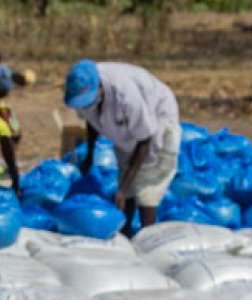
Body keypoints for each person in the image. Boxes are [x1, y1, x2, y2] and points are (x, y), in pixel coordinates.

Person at [64, 59, 181, 234]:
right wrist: (89, 155)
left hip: (156, 124)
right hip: (126, 130)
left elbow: (145, 140)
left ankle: (148, 235)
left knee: (147, 188)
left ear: (99, 88)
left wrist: (123, 188)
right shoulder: (82, 89)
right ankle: (125, 232)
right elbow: (92, 120)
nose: (85, 105)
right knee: (126, 183)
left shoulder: (126, 95)